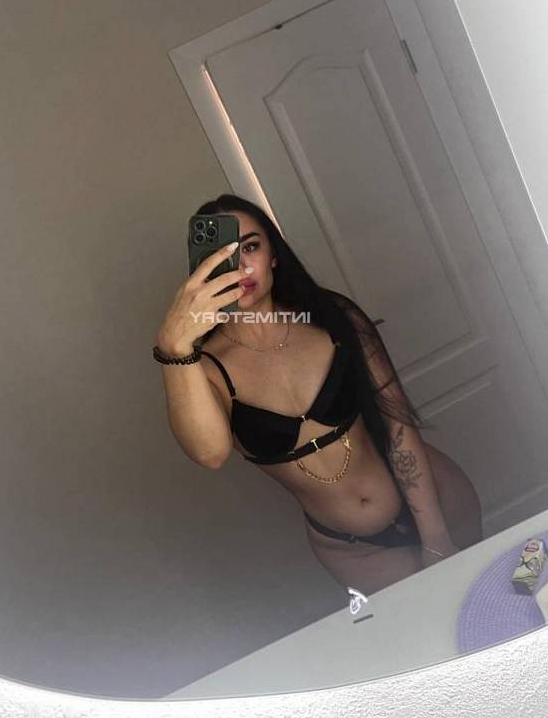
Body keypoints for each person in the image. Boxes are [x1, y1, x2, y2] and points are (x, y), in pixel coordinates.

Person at [153, 194, 483, 595]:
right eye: (220, 255)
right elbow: (210, 454)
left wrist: (435, 536)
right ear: (200, 270)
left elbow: (397, 422)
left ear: (274, 255)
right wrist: (173, 347)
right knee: (430, 628)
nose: (239, 266)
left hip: (437, 501)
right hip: (355, 550)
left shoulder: (332, 316)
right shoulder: (203, 369)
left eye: (251, 247)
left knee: (500, 603)